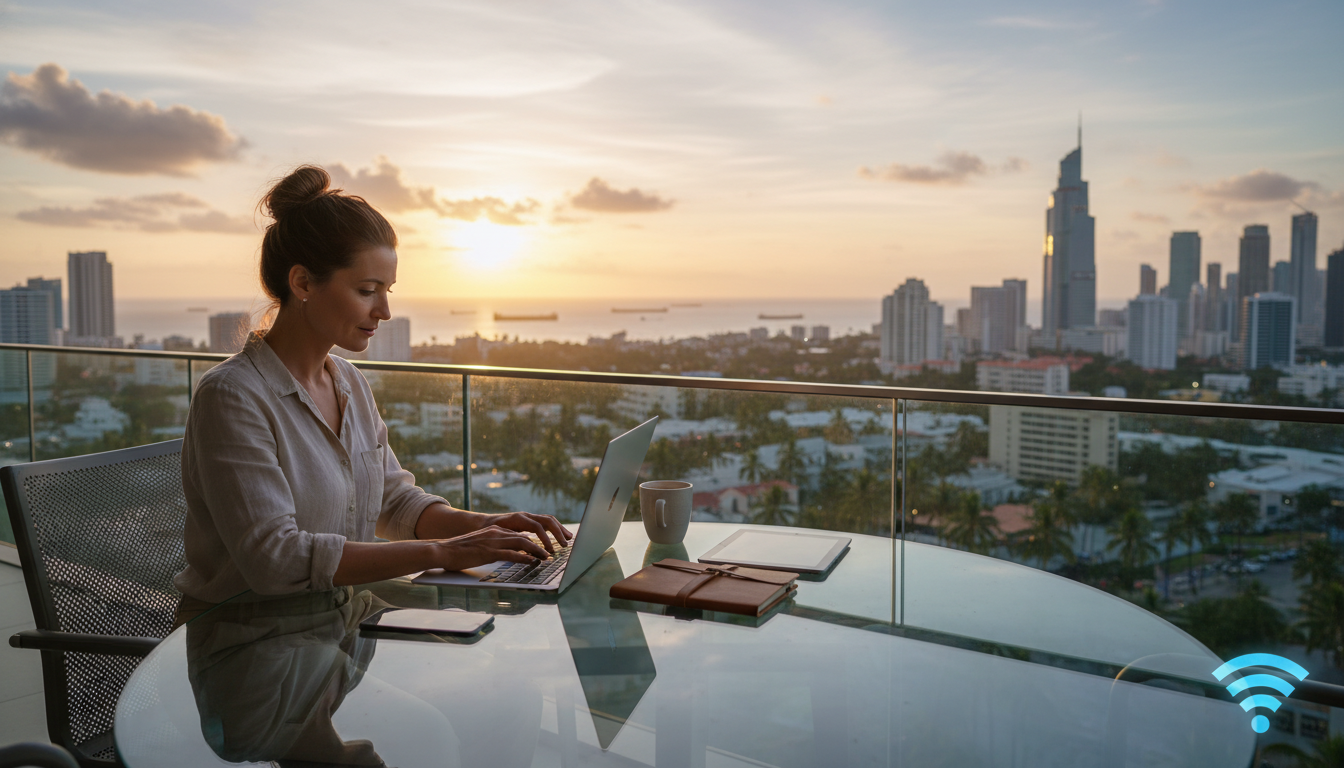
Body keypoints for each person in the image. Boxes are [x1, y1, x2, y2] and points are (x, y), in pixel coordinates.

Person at [172, 165, 569, 623]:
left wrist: (486, 528)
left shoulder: (348, 383)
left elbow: (393, 502)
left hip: (339, 626)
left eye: (387, 291)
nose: (384, 310)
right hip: (248, 645)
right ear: (302, 283)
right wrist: (443, 551)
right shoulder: (232, 397)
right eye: (367, 290)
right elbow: (275, 560)